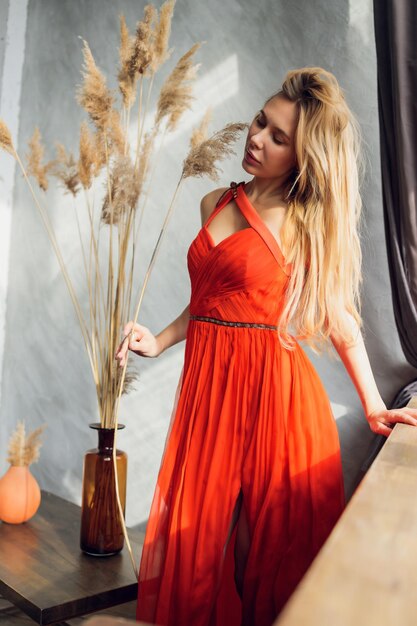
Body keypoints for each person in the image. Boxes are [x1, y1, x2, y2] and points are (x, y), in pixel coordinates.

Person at [115, 66, 417, 626]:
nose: (257, 139)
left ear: (303, 158)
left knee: (260, 554)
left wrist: (374, 405)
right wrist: (157, 340)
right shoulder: (213, 201)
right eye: (262, 122)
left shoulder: (304, 221)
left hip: (272, 397)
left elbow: (339, 319)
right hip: (209, 397)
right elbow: (210, 301)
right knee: (200, 546)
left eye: (280, 138)